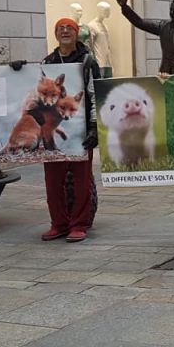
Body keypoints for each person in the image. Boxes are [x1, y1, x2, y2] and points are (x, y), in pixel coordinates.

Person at [39, 18, 101, 242]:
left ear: (76, 34)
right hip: (52, 132)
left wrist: (94, 127)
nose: (65, 31)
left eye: (69, 28)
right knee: (52, 179)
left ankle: (79, 224)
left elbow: (95, 95)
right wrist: (17, 69)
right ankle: (59, 223)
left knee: (81, 179)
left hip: (80, 130)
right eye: (60, 29)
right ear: (56, 34)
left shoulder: (87, 62)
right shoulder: (47, 62)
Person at [113, 0, 174, 75]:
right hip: (164, 75)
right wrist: (124, 7)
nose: (172, 12)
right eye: (171, 10)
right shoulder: (163, 26)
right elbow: (140, 22)